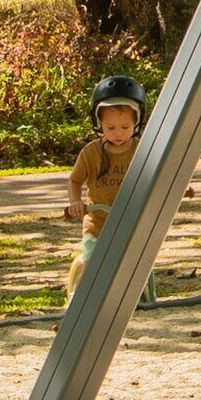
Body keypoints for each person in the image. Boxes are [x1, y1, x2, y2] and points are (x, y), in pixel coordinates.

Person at [65, 74, 146, 290]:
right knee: (92, 265)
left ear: (137, 122)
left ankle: (134, 296)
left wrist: (179, 188)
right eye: (110, 128)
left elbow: (159, 175)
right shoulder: (91, 152)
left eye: (125, 127)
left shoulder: (142, 150)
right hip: (98, 223)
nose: (118, 133)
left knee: (135, 266)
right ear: (98, 123)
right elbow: (75, 180)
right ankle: (79, 298)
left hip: (131, 222)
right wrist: (75, 202)